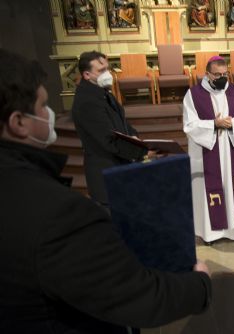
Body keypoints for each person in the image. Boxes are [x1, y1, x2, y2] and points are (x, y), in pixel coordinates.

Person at [0, 49, 211, 334]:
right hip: (106, 174)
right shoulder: (60, 214)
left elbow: (122, 127)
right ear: (19, 123)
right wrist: (199, 285)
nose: (48, 114)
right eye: (43, 105)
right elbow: (129, 292)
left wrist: (139, 141)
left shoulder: (102, 95)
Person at [183, 56, 234, 245]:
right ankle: (209, 234)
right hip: (207, 151)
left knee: (229, 188)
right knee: (210, 188)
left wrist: (232, 123)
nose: (222, 78)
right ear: (207, 74)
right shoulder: (193, 94)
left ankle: (232, 231)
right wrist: (214, 124)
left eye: (225, 74)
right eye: (217, 75)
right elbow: (189, 125)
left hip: (229, 149)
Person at [72, 51, 154, 207]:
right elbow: (108, 139)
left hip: (119, 167)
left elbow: (122, 123)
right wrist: (142, 152)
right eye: (101, 71)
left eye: (107, 69)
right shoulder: (87, 102)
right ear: (87, 75)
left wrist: (136, 138)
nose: (107, 74)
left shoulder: (102, 92)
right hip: (105, 171)